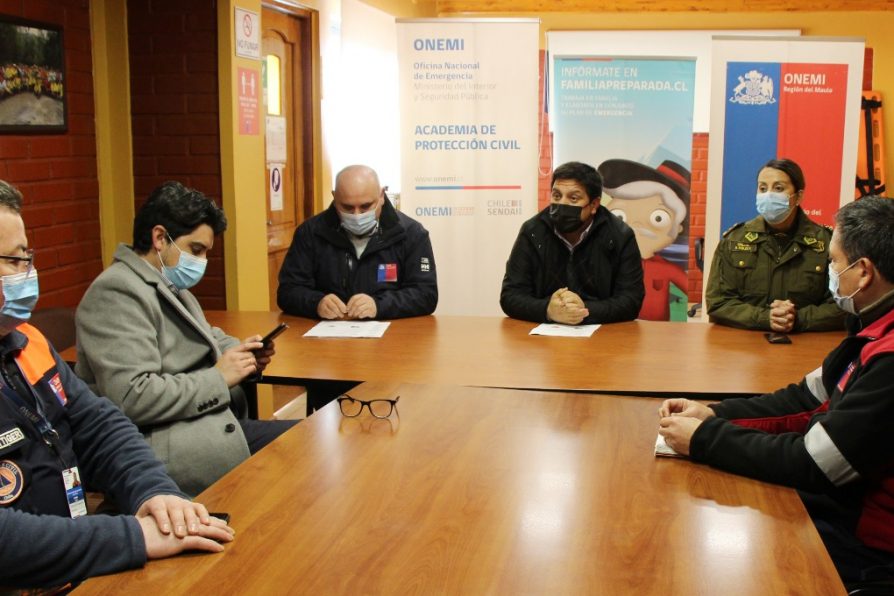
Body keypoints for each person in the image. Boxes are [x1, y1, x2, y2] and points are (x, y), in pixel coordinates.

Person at [0, 180, 234, 590]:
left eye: (27, 257)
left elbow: (98, 424)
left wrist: (155, 494)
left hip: (74, 565)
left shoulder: (26, 341)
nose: (28, 272)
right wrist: (135, 536)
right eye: (15, 260)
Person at [658, 196, 894, 584]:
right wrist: (714, 414)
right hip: (844, 509)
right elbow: (804, 398)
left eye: (834, 263)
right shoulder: (869, 329)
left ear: (863, 272)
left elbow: (816, 464)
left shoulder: (887, 359)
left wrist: (705, 439)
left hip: (869, 548)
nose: (830, 274)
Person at [75, 181, 296, 497]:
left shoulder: (163, 282)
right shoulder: (117, 293)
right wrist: (220, 378)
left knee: (309, 443)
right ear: (160, 238)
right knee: (299, 460)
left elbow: (211, 336)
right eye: (196, 249)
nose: (202, 261)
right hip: (167, 445)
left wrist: (243, 353)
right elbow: (132, 396)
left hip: (207, 424)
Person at [277, 164, 438, 321]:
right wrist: (316, 303)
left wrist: (379, 306)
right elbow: (287, 291)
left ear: (382, 196)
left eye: (366, 206)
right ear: (334, 197)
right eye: (347, 207)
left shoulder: (411, 234)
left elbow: (425, 295)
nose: (357, 215)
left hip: (391, 337)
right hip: (328, 337)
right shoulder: (310, 233)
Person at [705, 157, 845, 332]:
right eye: (762, 188)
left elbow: (841, 305)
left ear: (798, 196)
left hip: (804, 345)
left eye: (778, 188)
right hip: (745, 347)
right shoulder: (735, 240)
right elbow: (718, 303)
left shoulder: (826, 243)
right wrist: (764, 318)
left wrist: (797, 319)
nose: (768, 195)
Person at [500, 161, 644, 325]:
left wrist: (584, 310)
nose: (562, 204)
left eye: (573, 198)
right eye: (556, 196)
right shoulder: (533, 231)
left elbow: (631, 300)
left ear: (594, 205)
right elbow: (510, 296)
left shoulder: (619, 236)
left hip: (602, 334)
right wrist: (547, 310)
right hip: (542, 338)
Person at [600, 159, 691, 321]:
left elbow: (696, 291)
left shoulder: (665, 268)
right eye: (620, 216)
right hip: (618, 329)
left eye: (658, 218)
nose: (636, 225)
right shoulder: (606, 264)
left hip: (658, 334)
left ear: (678, 228)